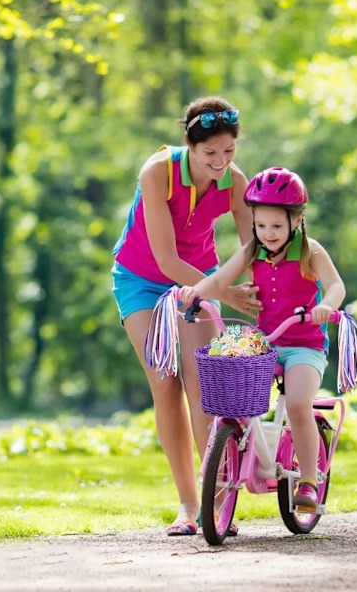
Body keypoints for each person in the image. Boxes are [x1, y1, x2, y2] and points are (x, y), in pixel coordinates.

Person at [111, 97, 261, 536]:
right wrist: (226, 293)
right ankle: (186, 505)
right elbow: (165, 258)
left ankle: (216, 504)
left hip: (204, 278)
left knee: (205, 383)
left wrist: (262, 284)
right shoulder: (157, 172)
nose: (220, 162)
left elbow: (253, 247)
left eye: (229, 151)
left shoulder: (235, 182)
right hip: (143, 278)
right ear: (189, 147)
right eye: (209, 153)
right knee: (165, 381)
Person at [180, 167, 346, 512]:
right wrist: (195, 293)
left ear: (296, 221)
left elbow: (336, 285)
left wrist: (326, 307)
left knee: (299, 404)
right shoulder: (251, 251)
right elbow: (219, 280)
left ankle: (310, 481)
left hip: (304, 345)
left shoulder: (310, 252)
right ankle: (239, 449)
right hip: (267, 343)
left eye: (276, 226)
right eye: (261, 225)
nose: (267, 233)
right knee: (233, 393)